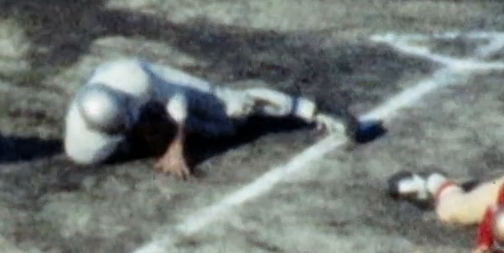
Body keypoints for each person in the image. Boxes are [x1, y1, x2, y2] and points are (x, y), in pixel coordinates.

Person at [63, 57, 358, 178]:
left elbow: (177, 99)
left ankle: (308, 108)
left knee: (235, 112)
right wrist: (152, 138)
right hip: (144, 116)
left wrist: (176, 145)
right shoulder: (84, 149)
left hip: (162, 89)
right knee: (216, 133)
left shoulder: (136, 78)